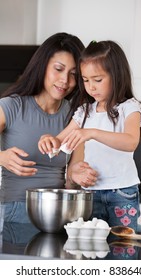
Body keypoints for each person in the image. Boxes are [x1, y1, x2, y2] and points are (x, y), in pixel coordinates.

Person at [38, 40, 141, 231]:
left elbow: (131, 142)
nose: (91, 87)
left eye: (97, 80)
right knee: (92, 248)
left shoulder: (129, 108)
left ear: (117, 76)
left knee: (122, 247)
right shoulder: (84, 111)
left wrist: (92, 133)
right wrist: (49, 140)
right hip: (90, 194)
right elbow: (61, 140)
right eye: (86, 80)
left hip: (122, 193)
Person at [0, 32, 97, 223]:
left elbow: (71, 176)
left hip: (58, 214)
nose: (65, 81)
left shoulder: (76, 116)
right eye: (58, 69)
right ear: (42, 66)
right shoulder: (11, 106)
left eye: (73, 75)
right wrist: (1, 157)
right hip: (14, 211)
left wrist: (76, 175)